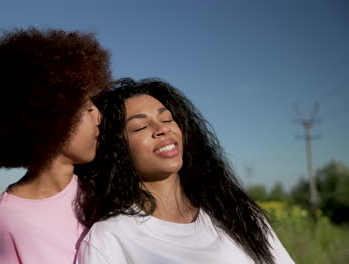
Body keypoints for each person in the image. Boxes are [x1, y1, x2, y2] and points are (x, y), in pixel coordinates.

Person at [75, 78, 294, 264]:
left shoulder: (236, 212)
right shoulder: (110, 237)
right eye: (140, 127)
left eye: (168, 119)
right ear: (116, 149)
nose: (162, 129)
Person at [0, 27, 111, 264]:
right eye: (87, 107)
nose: (99, 116)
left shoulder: (101, 191)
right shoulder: (5, 224)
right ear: (51, 117)